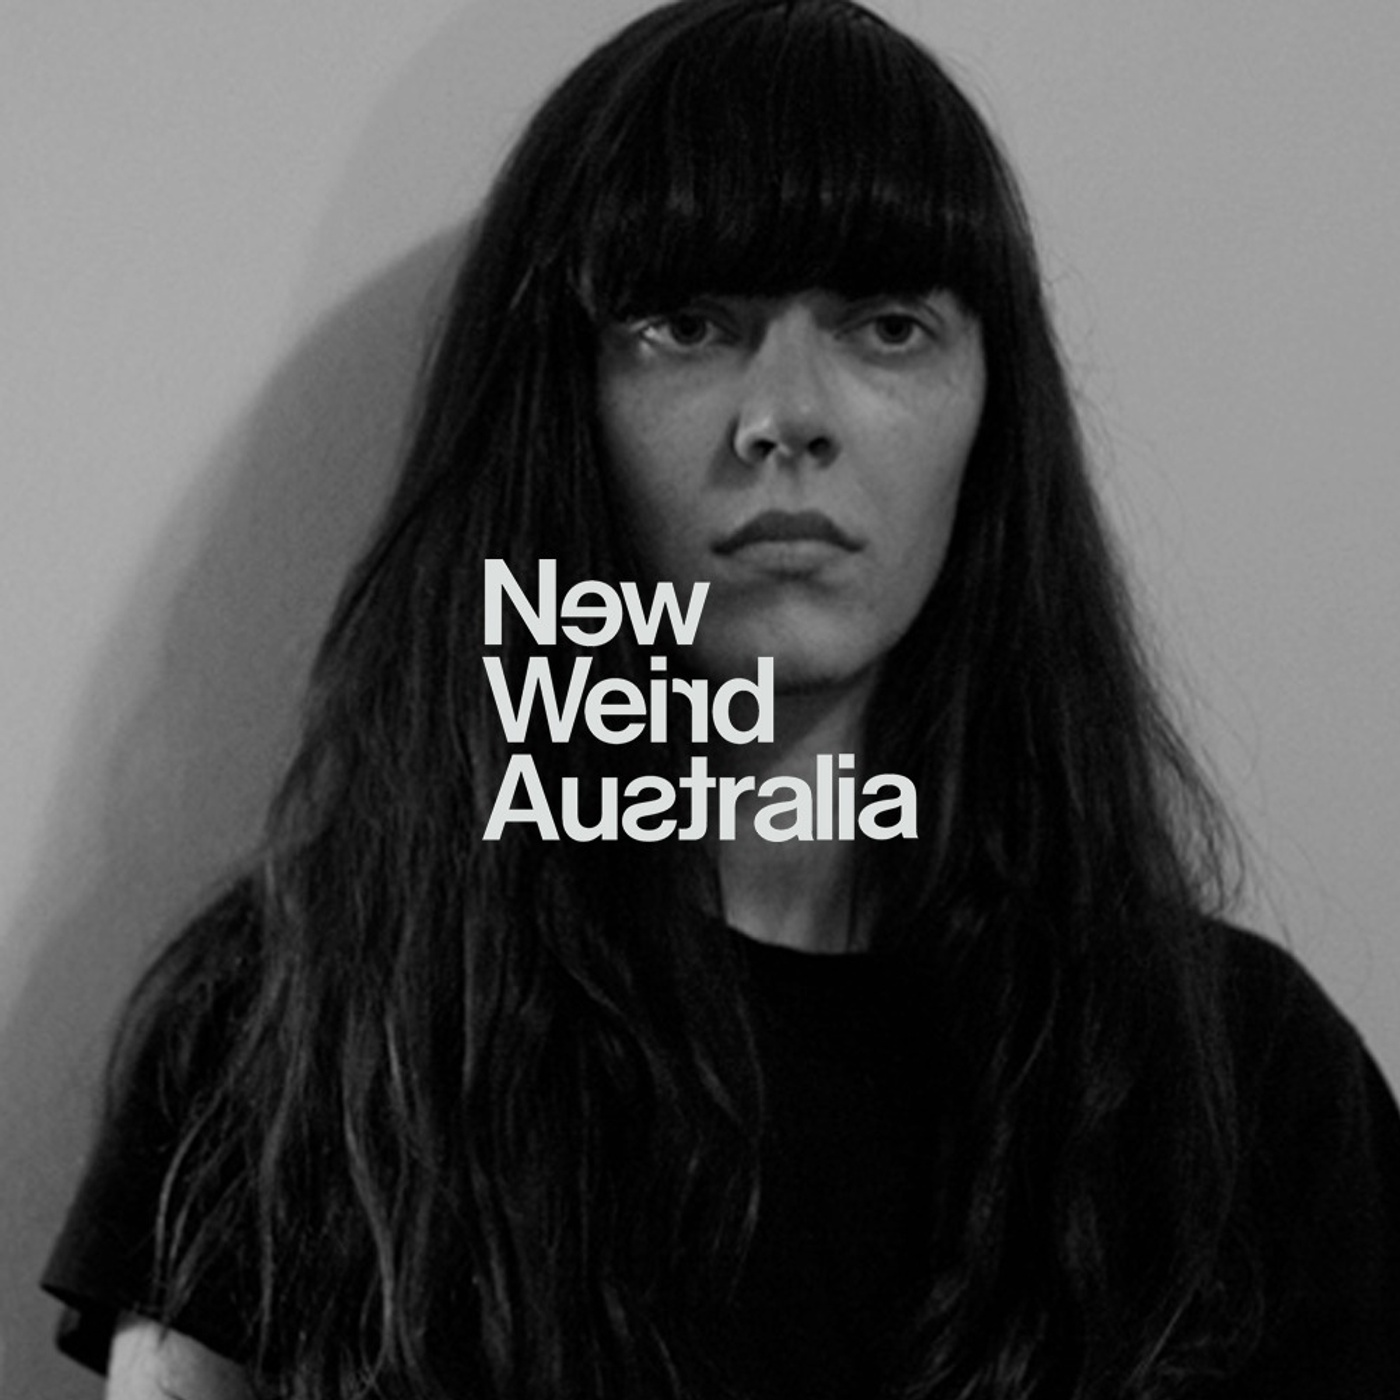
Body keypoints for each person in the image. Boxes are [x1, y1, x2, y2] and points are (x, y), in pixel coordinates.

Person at [42, 1, 1400, 1397]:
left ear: (994, 413)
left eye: (887, 327)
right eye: (687, 326)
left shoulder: (1246, 1088)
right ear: (563, 407)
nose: (787, 415)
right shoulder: (301, 1026)